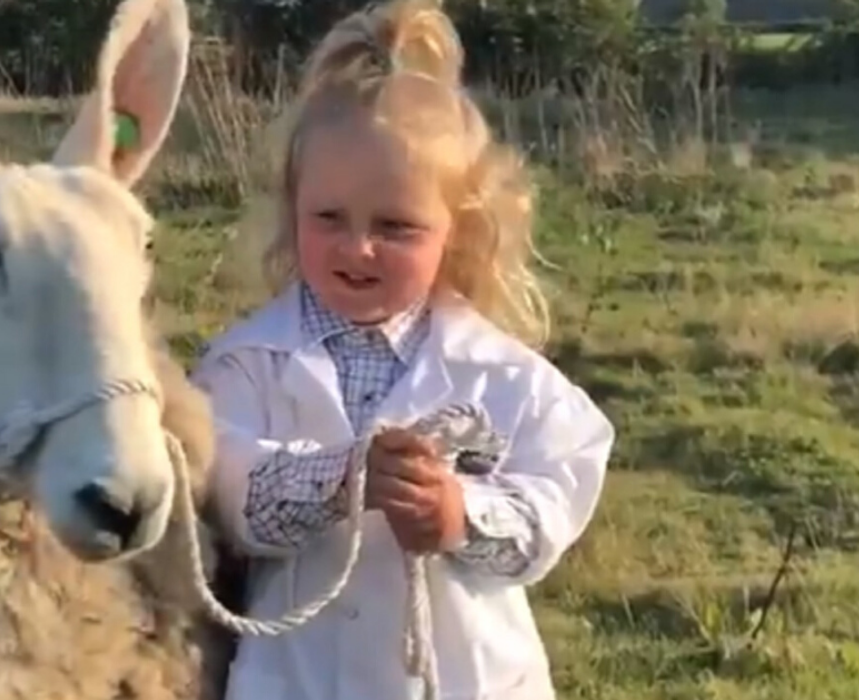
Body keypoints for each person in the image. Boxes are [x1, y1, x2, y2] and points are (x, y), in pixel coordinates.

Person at [188, 2, 616, 699]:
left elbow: (555, 496)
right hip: (297, 680)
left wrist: (459, 513)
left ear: (458, 231)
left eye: (394, 226)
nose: (357, 247)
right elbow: (231, 495)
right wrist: (344, 478)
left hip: (464, 680)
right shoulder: (241, 364)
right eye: (328, 219)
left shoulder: (505, 376)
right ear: (292, 208)